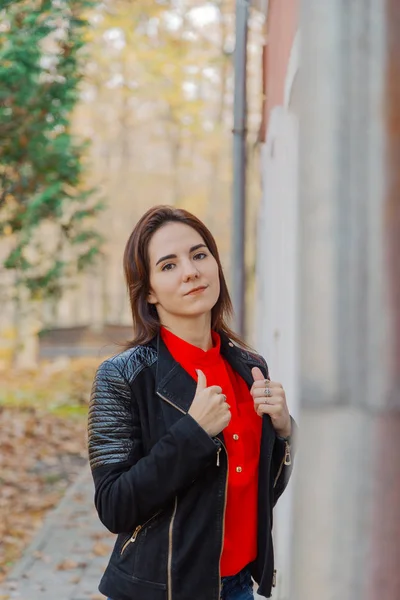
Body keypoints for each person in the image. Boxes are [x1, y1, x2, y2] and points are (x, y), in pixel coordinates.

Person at [88, 205, 296, 600]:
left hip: (237, 587)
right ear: (148, 289)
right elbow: (114, 506)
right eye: (168, 265)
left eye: (199, 255)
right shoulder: (123, 376)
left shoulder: (249, 367)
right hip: (162, 590)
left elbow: (255, 489)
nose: (190, 271)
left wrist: (284, 431)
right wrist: (192, 434)